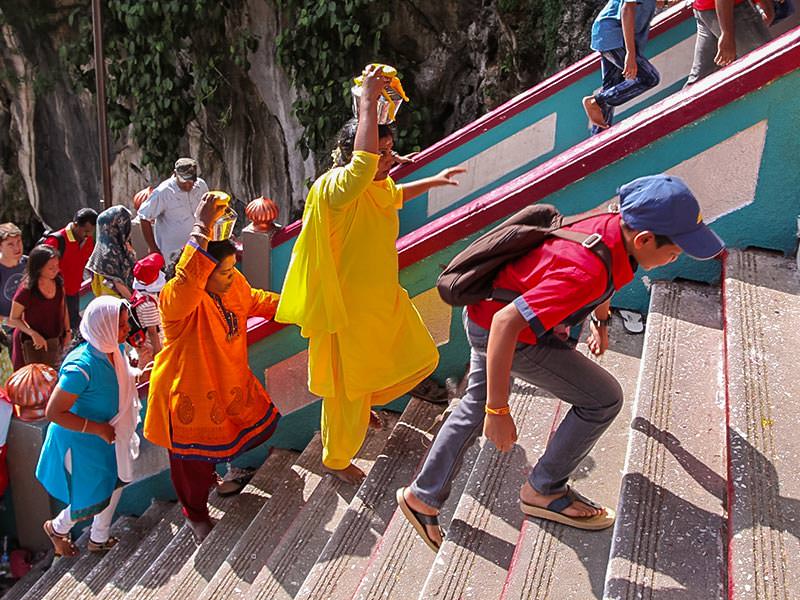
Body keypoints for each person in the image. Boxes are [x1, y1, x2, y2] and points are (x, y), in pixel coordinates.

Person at [396, 174, 725, 550]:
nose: (676, 257)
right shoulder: (583, 270)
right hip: (501, 330)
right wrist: (499, 410)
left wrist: (601, 322)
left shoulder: (610, 226)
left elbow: (609, 276)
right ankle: (545, 490)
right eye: (676, 250)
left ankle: (422, 497)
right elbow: (509, 324)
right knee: (603, 399)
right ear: (646, 239)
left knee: (472, 407)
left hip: (484, 309)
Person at [275, 65, 466, 484]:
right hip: (350, 312)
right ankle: (336, 458)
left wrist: (435, 178)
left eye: (389, 152)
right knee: (348, 391)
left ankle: (366, 409)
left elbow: (392, 191)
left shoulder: (374, 185)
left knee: (420, 355)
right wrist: (367, 102)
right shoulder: (335, 189)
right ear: (353, 153)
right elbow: (361, 169)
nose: (385, 160)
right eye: (378, 153)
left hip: (383, 299)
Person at [143, 193, 281, 543]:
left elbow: (257, 301)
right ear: (203, 272)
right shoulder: (176, 300)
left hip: (224, 381)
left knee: (230, 435)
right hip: (185, 393)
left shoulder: (233, 284)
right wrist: (201, 226)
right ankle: (195, 514)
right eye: (223, 271)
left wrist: (301, 306)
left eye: (233, 268)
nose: (230, 276)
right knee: (189, 463)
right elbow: (188, 282)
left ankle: (219, 477)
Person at [36, 297, 150, 556]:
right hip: (80, 443)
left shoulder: (113, 347)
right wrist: (97, 428)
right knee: (93, 494)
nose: (127, 330)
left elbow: (118, 379)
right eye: (121, 326)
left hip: (106, 437)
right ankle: (57, 528)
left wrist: (140, 374)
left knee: (116, 481)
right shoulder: (81, 368)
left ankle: (98, 537)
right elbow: (53, 412)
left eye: (125, 324)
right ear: (103, 327)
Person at [582, 0, 669, 133]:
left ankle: (599, 136)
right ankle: (595, 101)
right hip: (612, 36)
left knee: (610, 88)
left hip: (609, 35)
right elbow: (627, 10)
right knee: (650, 78)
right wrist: (630, 54)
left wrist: (667, 2)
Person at [8, 245, 71, 370]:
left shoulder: (58, 282)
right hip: (29, 344)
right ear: (38, 268)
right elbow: (13, 319)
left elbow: (63, 307)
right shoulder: (26, 291)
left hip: (53, 341)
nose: (56, 270)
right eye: (50, 268)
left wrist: (67, 332)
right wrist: (33, 334)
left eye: (57, 266)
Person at [137, 158, 210, 262]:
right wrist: (153, 248)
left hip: (197, 251)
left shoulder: (201, 185)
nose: (188, 185)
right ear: (175, 174)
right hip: (172, 256)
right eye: (184, 181)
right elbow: (144, 217)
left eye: (191, 181)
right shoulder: (164, 192)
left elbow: (208, 209)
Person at [685, 0, 773, 86]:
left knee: (700, 79)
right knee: (768, 68)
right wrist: (727, 34)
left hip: (706, 9)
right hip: (730, 11)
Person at [43, 208, 98, 331]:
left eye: (91, 232)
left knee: (73, 327)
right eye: (86, 231)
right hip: (55, 295)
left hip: (73, 293)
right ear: (75, 225)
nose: (88, 235)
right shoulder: (56, 241)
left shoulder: (87, 240)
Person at [86, 206, 136, 300]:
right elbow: (118, 283)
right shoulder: (111, 252)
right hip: (119, 304)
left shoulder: (101, 248)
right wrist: (134, 302)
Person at [0, 223, 27, 383]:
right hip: (5, 334)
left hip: (29, 330)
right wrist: (8, 321)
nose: (17, 247)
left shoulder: (28, 264)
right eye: (10, 244)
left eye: (19, 242)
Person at [131, 253, 166, 355]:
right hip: (152, 348)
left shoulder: (140, 292)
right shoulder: (148, 304)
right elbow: (152, 332)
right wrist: (159, 356)